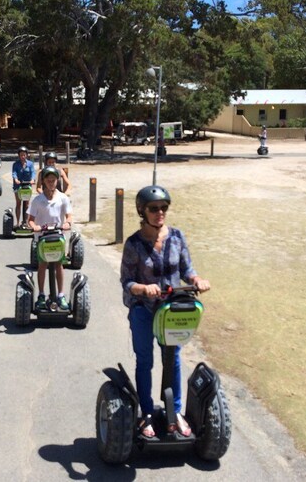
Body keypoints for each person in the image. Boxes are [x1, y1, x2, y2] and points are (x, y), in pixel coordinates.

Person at [120, 185, 210, 439]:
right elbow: (126, 281)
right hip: (144, 311)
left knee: (174, 359)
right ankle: (147, 413)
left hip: (172, 311)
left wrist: (197, 280)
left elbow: (187, 269)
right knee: (145, 361)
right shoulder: (134, 244)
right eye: (154, 208)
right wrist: (142, 288)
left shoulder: (177, 237)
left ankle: (176, 412)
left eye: (163, 208)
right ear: (142, 211)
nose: (160, 213)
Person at [27, 166, 73, 311]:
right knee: (42, 265)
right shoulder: (38, 200)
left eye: (54, 180)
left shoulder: (63, 198)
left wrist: (67, 223)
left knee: (59, 265)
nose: (51, 182)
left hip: (58, 235)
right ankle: (41, 294)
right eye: (49, 180)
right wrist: (34, 226)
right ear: (44, 181)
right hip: (42, 237)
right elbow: (30, 220)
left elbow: (69, 215)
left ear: (57, 181)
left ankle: (60, 295)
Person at [12, 146, 36, 227]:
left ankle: (27, 222)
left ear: (26, 155)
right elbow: (14, 173)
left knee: (27, 204)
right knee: (18, 204)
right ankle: (18, 223)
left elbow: (33, 172)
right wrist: (16, 179)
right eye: (21, 155)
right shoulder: (15, 164)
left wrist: (32, 180)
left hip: (27, 185)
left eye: (24, 155)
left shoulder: (30, 164)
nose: (22, 157)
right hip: (18, 186)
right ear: (19, 155)